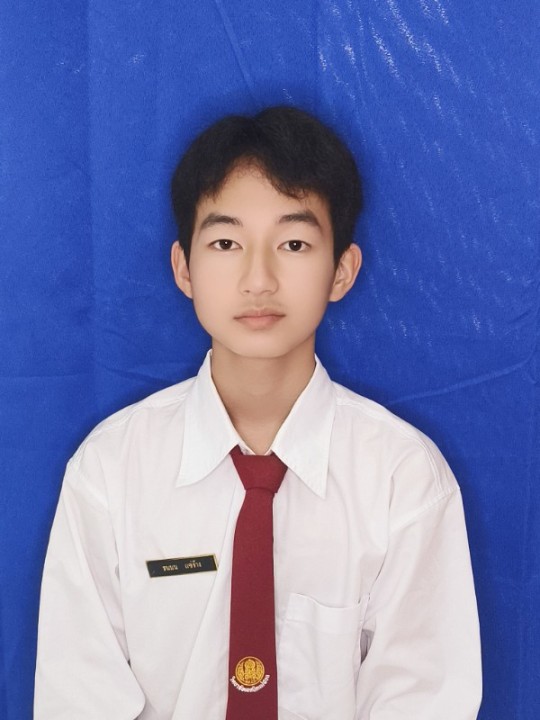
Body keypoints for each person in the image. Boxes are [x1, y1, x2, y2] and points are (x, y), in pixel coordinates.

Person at [34, 106, 482, 719]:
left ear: (342, 271)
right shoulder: (111, 470)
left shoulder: (401, 477)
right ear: (184, 268)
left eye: (294, 243)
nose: (258, 279)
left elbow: (423, 700)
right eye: (226, 243)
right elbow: (77, 697)